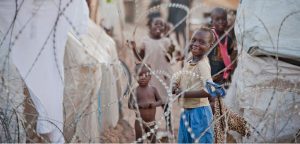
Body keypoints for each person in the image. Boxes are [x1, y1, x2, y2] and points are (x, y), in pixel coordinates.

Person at [129, 17, 173, 135]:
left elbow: (170, 58)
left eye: (161, 25)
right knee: (149, 102)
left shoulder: (166, 41)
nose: (158, 27)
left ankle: (169, 129)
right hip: (150, 77)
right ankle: (147, 128)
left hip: (163, 76)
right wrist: (134, 49)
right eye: (156, 24)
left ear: (165, 28)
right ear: (150, 26)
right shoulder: (145, 41)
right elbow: (141, 59)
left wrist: (171, 48)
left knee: (165, 103)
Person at [173, 27, 215, 143]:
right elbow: (183, 75)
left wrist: (184, 94)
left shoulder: (202, 65)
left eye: (202, 42)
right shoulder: (190, 59)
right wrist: (175, 83)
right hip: (187, 111)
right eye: (194, 40)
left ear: (210, 46)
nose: (196, 44)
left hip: (199, 112)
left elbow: (209, 90)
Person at [128, 63, 163, 143]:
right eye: (140, 75)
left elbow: (160, 101)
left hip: (152, 122)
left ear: (150, 76)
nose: (143, 78)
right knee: (139, 141)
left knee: (153, 140)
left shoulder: (153, 89)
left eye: (146, 75)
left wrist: (154, 104)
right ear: (135, 76)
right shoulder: (135, 91)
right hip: (139, 122)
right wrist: (139, 106)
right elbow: (130, 105)